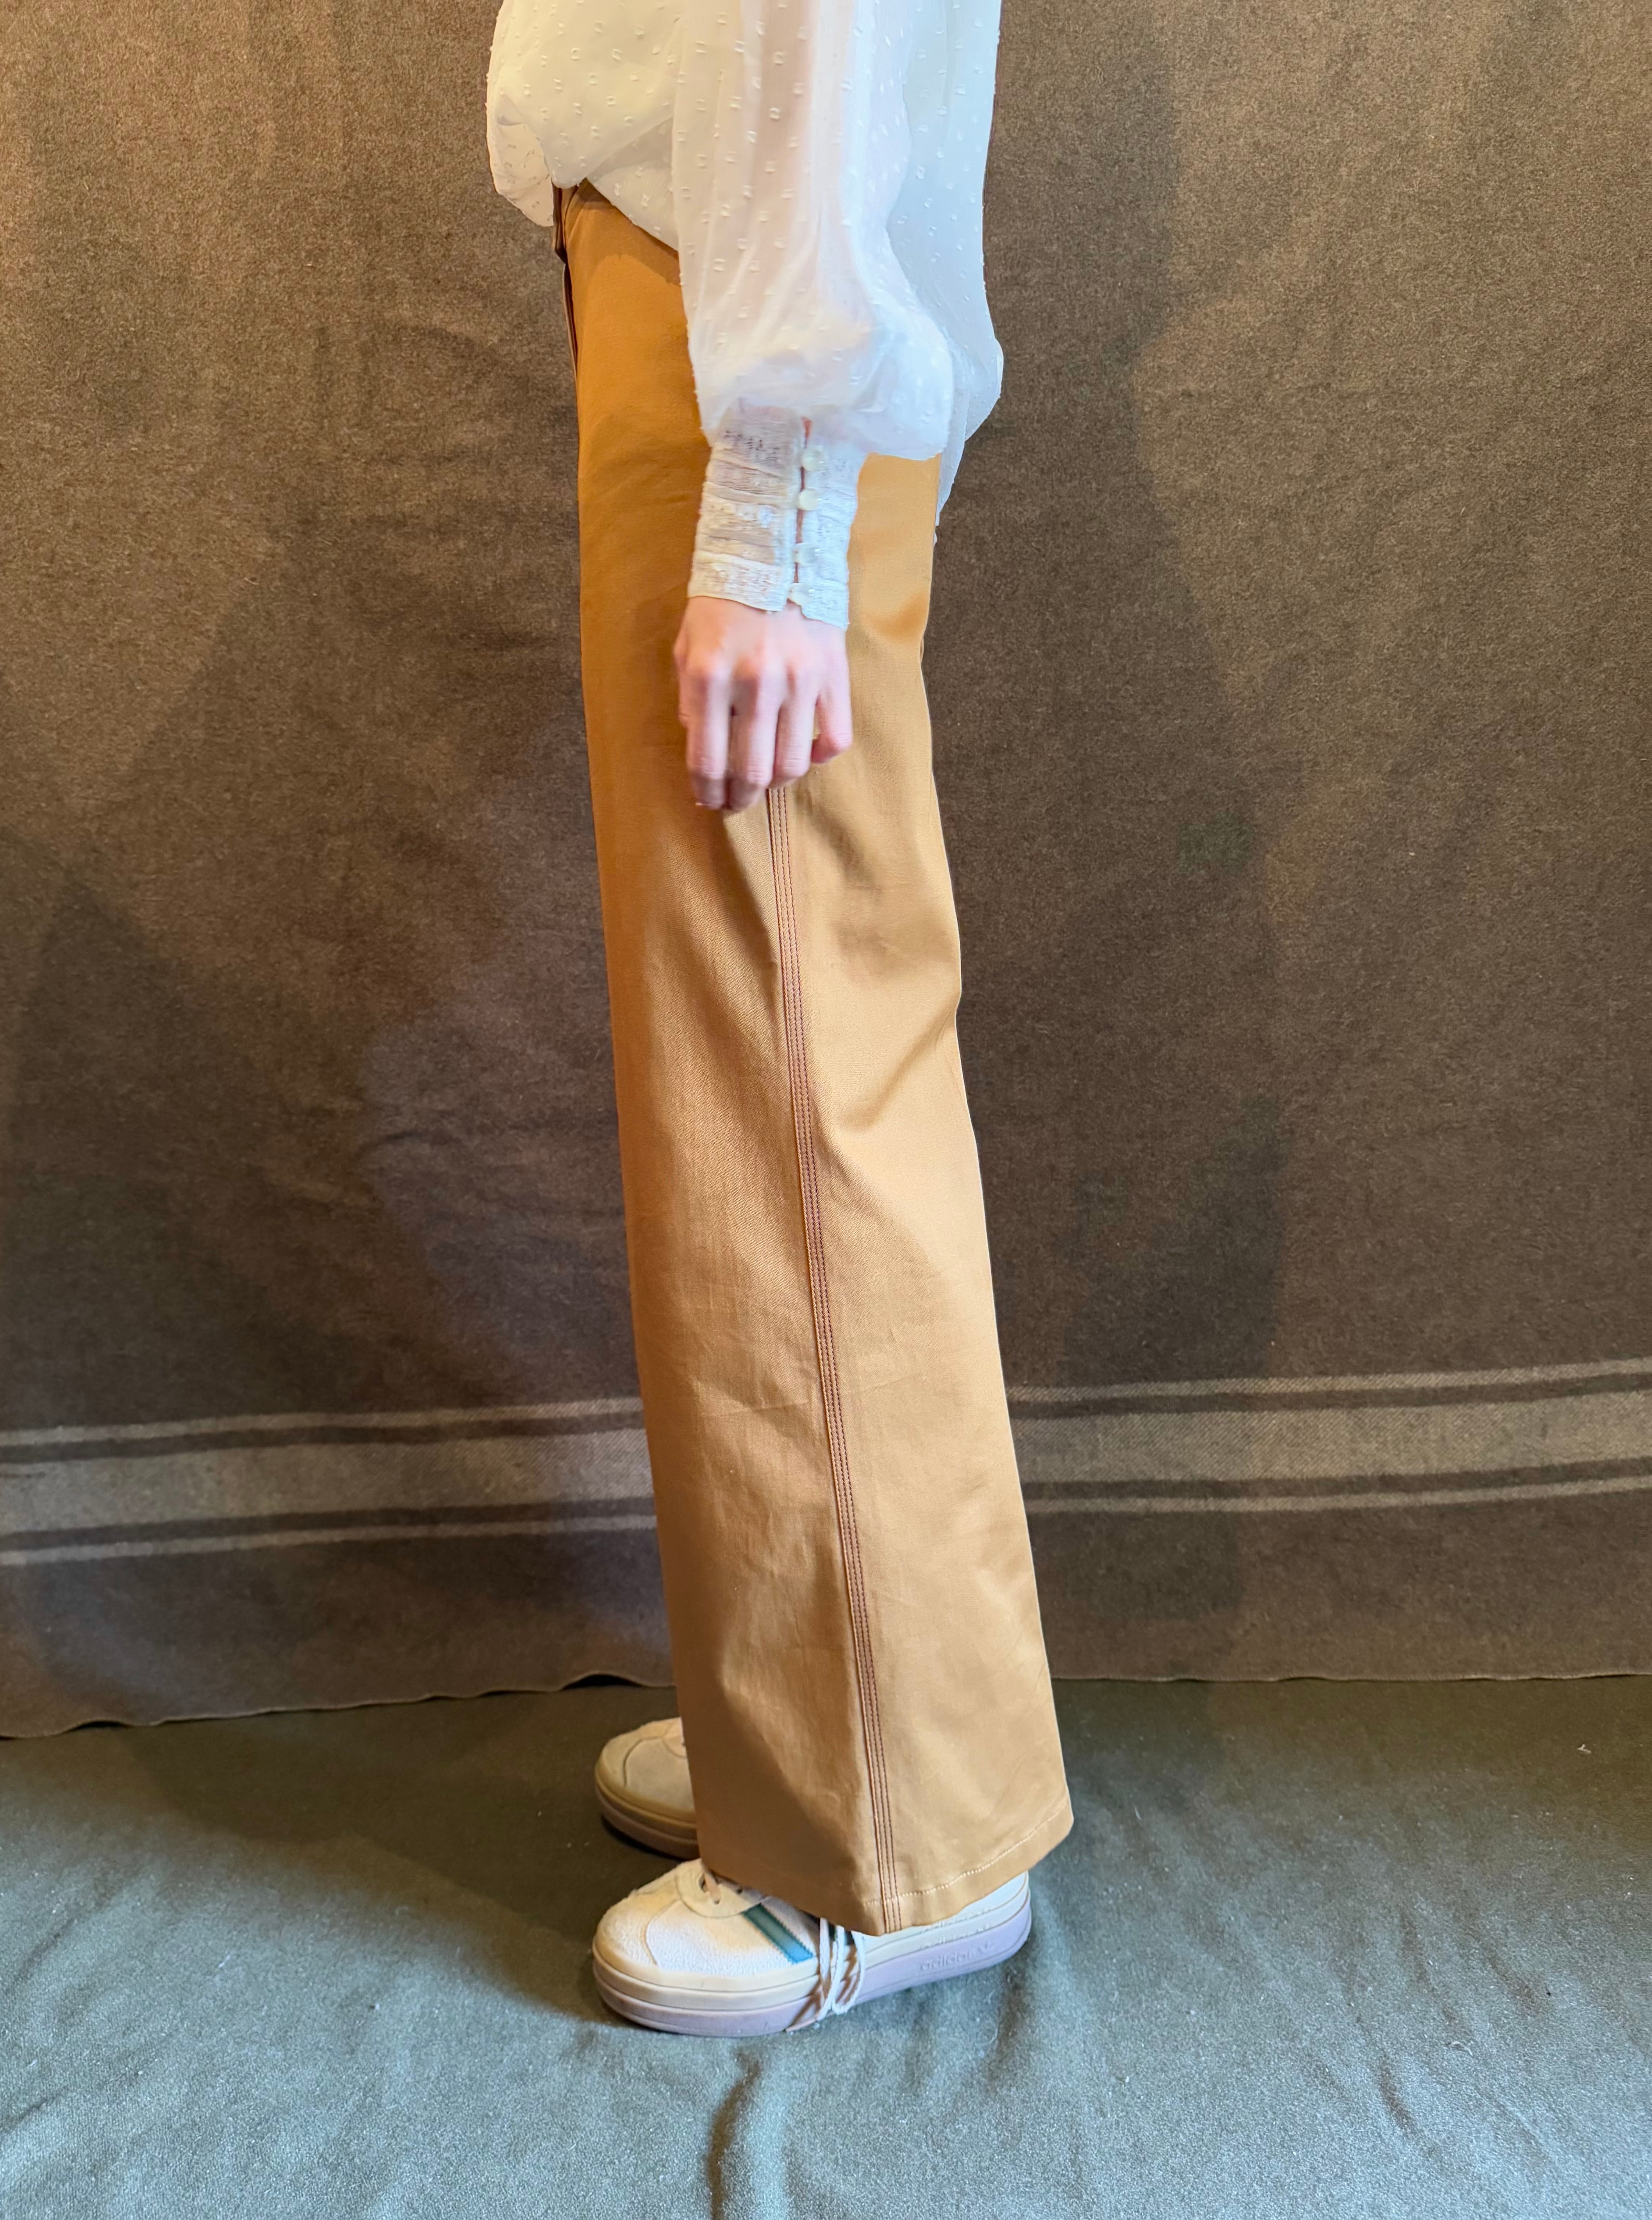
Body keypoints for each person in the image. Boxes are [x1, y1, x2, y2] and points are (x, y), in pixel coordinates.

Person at [486, 0, 1071, 2036]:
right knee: (759, 1058)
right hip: (706, 288)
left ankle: (881, 1842)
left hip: (741, 325)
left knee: (793, 1069)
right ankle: (828, 1718)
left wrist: (782, 489)